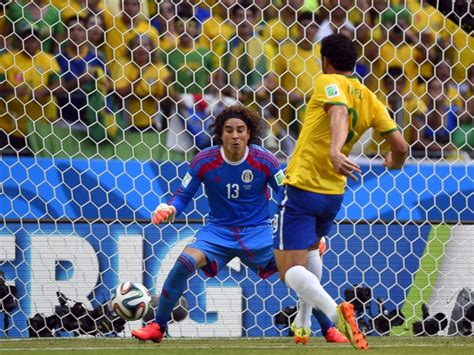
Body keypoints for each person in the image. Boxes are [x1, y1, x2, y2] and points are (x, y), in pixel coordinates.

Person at [273, 34, 409, 351]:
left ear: (326, 60)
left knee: (288, 270)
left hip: (303, 185)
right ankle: (303, 323)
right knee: (310, 251)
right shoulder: (370, 97)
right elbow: (401, 146)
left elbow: (338, 112)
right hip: (333, 194)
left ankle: (338, 315)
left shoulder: (327, 80)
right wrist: (395, 163)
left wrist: (334, 150)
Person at [131, 104, 284, 343]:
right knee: (184, 262)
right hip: (218, 231)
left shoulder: (266, 160)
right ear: (220, 134)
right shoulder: (204, 160)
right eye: (229, 130)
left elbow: (286, 195)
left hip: (259, 231)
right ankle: (158, 327)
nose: (235, 135)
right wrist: (169, 208)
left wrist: (307, 231)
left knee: (296, 267)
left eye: (240, 130)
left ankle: (327, 326)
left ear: (249, 133)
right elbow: (182, 195)